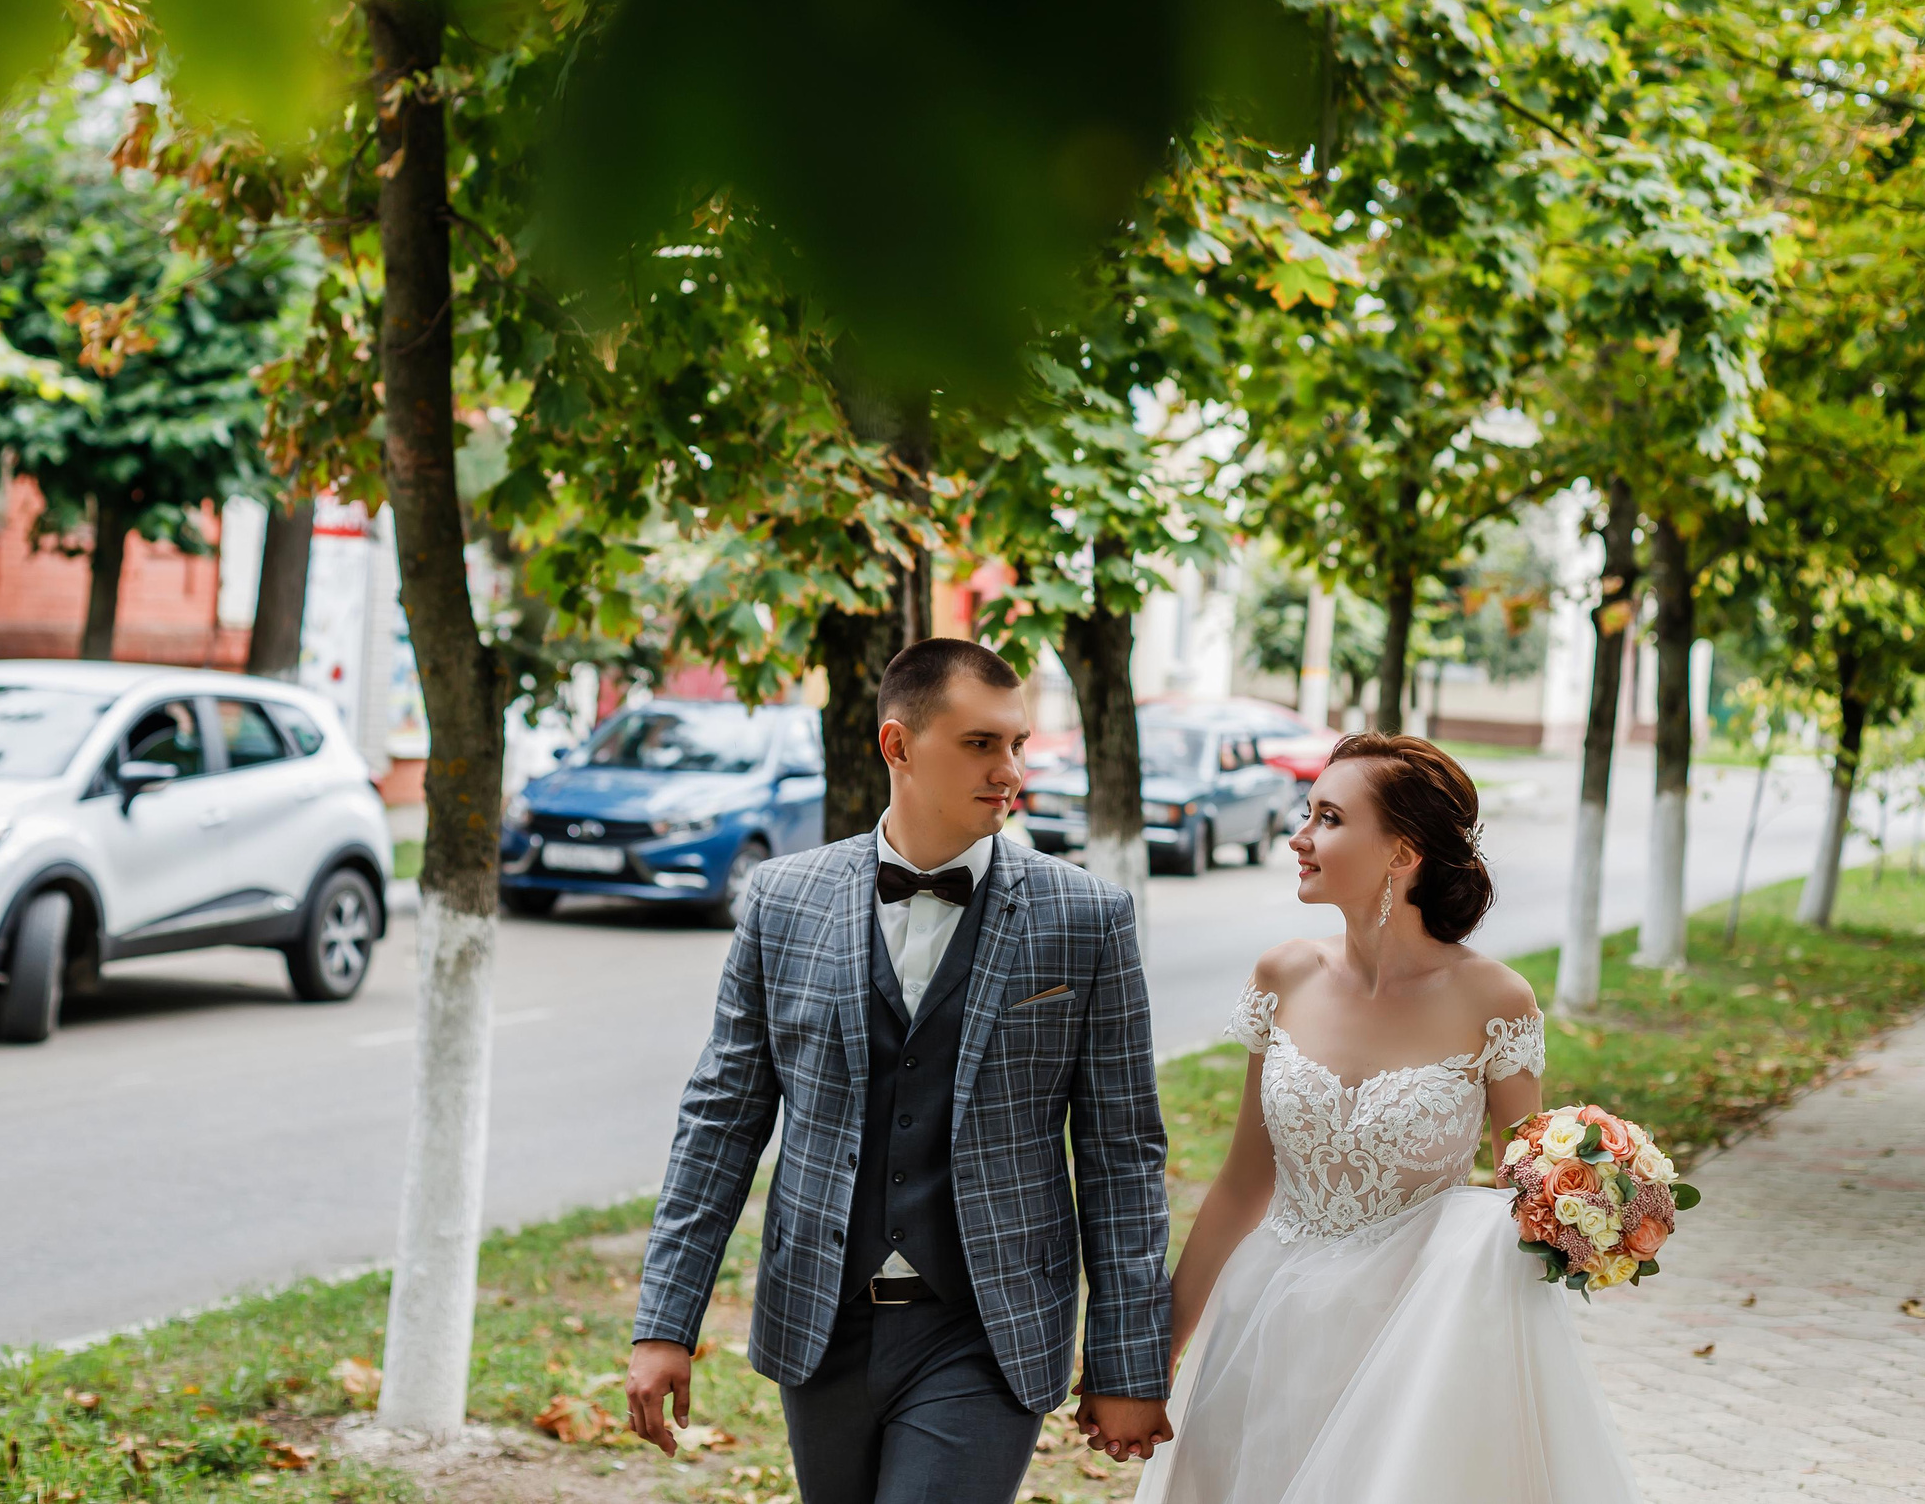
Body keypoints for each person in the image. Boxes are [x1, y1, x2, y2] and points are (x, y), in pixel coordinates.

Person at [626, 638, 1174, 1503]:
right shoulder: (782, 898)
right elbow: (722, 1120)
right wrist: (664, 1322)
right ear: (898, 745)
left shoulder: (1086, 916)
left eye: (1017, 743)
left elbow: (1122, 1152)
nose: (1009, 770)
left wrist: (1127, 1360)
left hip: (986, 1328)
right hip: (822, 1320)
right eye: (980, 743)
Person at [1134, 732, 1645, 1504]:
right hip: (1268, 1323)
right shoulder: (1281, 975)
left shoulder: (1496, 1000)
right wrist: (1156, 1352)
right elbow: (1241, 1183)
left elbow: (1526, 1193)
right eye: (1307, 813)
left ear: (1402, 853)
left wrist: (1597, 1206)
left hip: (1414, 1339)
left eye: (1329, 818)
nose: (1300, 838)